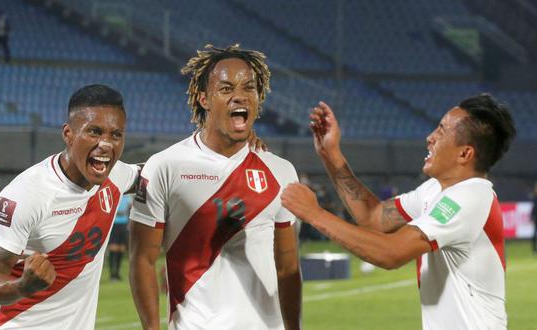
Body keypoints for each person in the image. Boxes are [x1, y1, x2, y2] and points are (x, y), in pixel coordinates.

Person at [281, 94, 516, 329]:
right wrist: (331, 155)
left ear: (465, 154)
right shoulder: (435, 190)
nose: (430, 138)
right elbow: (373, 218)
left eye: (442, 131)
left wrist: (314, 214)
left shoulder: (470, 197)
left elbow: (391, 252)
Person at [129, 44, 302, 330]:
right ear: (204, 99)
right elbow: (142, 261)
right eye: (225, 88)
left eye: (249, 88)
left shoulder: (281, 171)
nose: (239, 96)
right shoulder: (166, 166)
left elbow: (287, 267)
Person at [0, 84, 139, 329]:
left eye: (115, 135)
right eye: (94, 132)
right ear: (68, 133)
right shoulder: (25, 195)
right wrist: (22, 286)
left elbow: (159, 174)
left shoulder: (116, 175)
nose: (106, 144)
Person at [108, 194, 132, 280]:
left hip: (124, 225)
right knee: (113, 248)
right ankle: (112, 274)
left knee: (121, 249)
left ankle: (117, 273)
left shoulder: (128, 197)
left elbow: (130, 209)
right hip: (114, 224)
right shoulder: (114, 194)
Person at [531, 182, 537, 254]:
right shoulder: (535, 198)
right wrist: (532, 216)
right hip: (536, 218)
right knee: (534, 234)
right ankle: (534, 249)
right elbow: (533, 208)